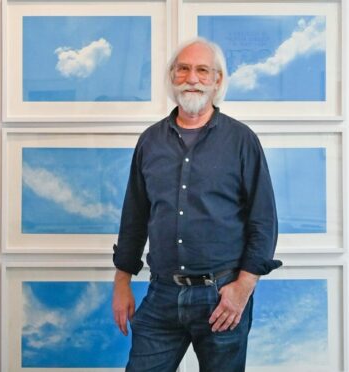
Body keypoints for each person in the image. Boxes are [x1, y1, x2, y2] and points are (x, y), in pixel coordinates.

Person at [112, 37, 282, 372]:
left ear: (218, 81)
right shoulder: (150, 141)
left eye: (203, 71)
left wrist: (242, 288)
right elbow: (134, 216)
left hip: (222, 296)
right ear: (172, 77)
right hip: (162, 294)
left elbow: (263, 221)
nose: (192, 78)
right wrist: (121, 284)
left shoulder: (241, 140)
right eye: (184, 69)